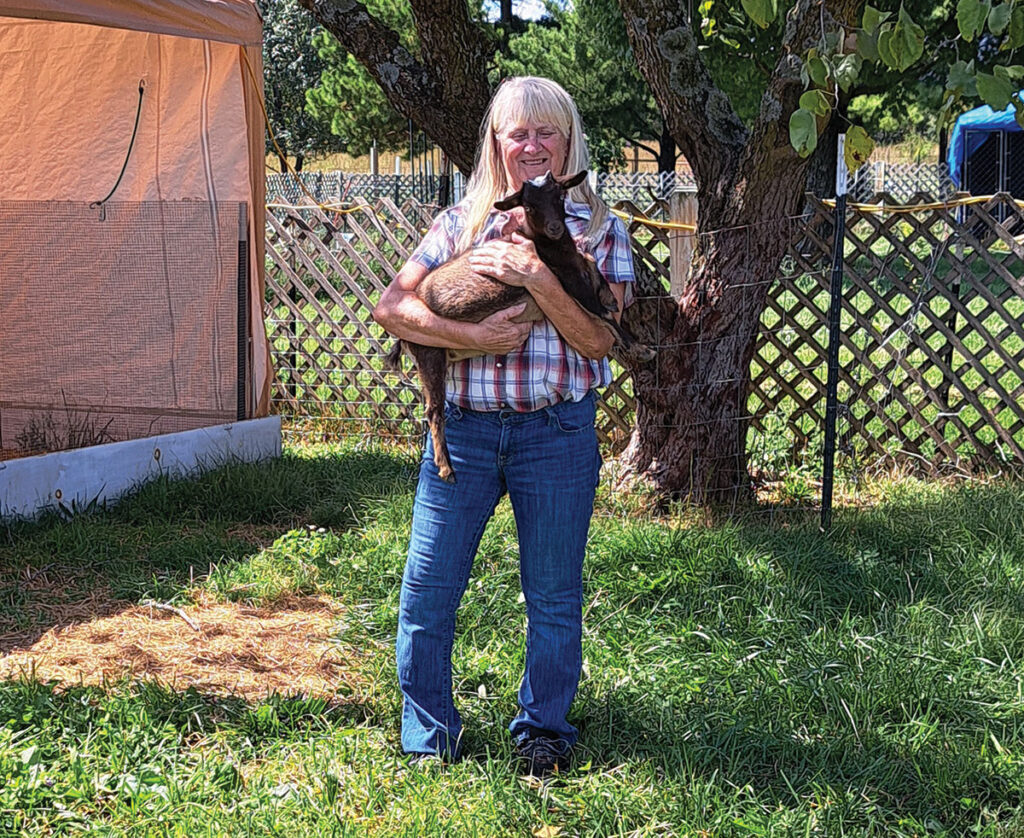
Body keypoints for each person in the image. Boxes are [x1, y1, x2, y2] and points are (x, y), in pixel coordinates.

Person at [372, 76, 635, 777]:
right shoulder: (459, 224)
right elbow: (393, 307)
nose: (532, 145)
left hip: (556, 436)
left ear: (569, 141)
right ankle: (429, 733)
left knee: (553, 594)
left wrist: (540, 279)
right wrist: (476, 337)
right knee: (428, 589)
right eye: (518, 132)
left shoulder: (602, 231)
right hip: (464, 432)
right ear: (496, 142)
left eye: (547, 131)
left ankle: (542, 730)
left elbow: (601, 340)